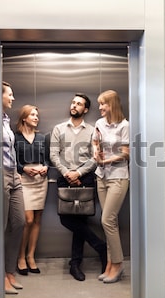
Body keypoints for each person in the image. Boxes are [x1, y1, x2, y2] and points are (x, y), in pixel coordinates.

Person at [49, 93, 107, 281]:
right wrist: (67, 173)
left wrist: (79, 173)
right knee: (67, 220)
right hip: (65, 178)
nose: (74, 106)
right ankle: (100, 247)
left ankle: (75, 263)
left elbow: (95, 156)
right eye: (73, 102)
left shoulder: (92, 130)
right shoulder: (59, 128)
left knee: (80, 222)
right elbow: (54, 155)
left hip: (85, 179)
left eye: (79, 104)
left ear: (86, 109)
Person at [92, 90, 129, 284]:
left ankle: (118, 263)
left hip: (118, 177)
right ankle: (110, 265)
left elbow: (126, 153)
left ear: (112, 104)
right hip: (101, 177)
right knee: (109, 223)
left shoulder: (124, 126)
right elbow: (95, 142)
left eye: (103, 104)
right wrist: (95, 153)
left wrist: (107, 161)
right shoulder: (99, 124)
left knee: (107, 220)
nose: (100, 108)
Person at [14, 105, 49, 275]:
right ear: (24, 118)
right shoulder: (16, 138)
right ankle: (20, 257)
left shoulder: (42, 138)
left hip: (41, 181)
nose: (36, 117)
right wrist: (23, 169)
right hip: (25, 181)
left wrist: (45, 168)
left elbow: (48, 159)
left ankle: (30, 256)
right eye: (32, 114)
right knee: (27, 220)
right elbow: (12, 161)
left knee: (37, 219)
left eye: (37, 114)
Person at [1, 81, 26, 294]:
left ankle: (10, 272)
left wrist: (17, 171)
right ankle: (0, 275)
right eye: (10, 94)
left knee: (19, 222)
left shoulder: (6, 120)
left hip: (13, 174)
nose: (13, 98)